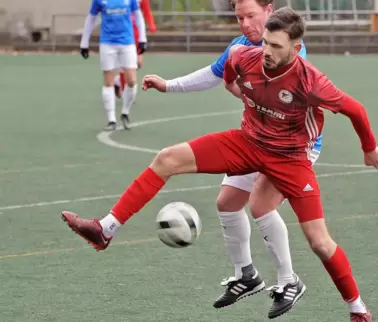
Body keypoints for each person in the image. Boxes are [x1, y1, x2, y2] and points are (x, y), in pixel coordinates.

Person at [62, 7, 378, 321]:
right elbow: (227, 75)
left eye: (276, 46)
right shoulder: (244, 55)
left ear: (295, 49)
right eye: (266, 41)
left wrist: (369, 150)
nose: (267, 50)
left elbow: (356, 110)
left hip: (290, 159)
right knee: (168, 159)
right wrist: (243, 93)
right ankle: (105, 229)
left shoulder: (310, 81)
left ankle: (357, 310)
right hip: (248, 143)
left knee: (319, 241)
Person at [140, 0, 320, 316]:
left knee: (261, 203)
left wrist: (239, 84)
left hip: (294, 146)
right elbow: (212, 74)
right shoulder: (238, 46)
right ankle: (246, 275)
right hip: (258, 140)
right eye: (239, 17)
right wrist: (168, 86)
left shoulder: (287, 50)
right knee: (227, 203)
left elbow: (266, 87)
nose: (245, 23)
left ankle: (289, 280)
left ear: (270, 10)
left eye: (251, 15)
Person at [80, 0, 148, 131]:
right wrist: (84, 43)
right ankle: (111, 119)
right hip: (107, 43)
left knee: (132, 81)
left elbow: (138, 15)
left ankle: (125, 112)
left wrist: (142, 39)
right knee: (108, 81)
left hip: (127, 42)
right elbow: (91, 19)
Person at [114, 0, 158, 129]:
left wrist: (151, 24)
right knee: (126, 68)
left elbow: (146, 12)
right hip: (123, 37)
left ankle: (118, 82)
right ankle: (121, 86)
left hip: (137, 36)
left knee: (137, 64)